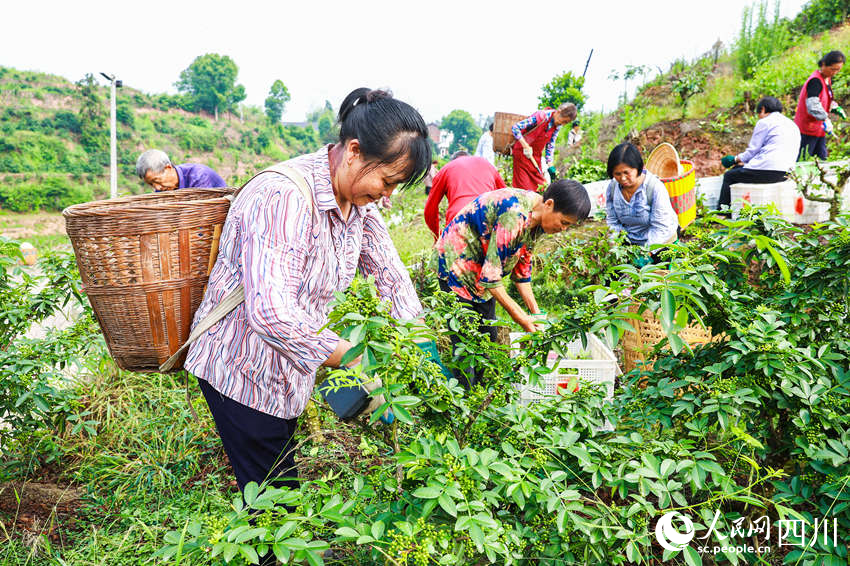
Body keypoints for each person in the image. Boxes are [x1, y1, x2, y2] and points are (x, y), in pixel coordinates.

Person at [183, 88, 430, 521]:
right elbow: (271, 313)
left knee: (278, 472)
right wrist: (354, 358)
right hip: (240, 365)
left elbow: (391, 278)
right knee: (274, 496)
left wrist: (420, 345)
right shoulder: (283, 197)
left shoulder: (359, 205)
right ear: (354, 151)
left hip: (288, 366)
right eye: (387, 181)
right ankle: (272, 548)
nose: (388, 196)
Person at [436, 181, 590, 387]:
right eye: (564, 222)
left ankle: (479, 395)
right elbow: (491, 280)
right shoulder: (514, 215)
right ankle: (464, 403)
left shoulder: (537, 221)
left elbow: (522, 271)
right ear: (550, 204)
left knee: (487, 337)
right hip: (457, 266)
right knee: (466, 343)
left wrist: (535, 314)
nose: (562, 229)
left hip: (482, 272)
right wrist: (521, 317)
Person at [718, 97, 801, 210]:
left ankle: (722, 212)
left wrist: (734, 159)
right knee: (740, 169)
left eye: (758, 113)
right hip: (786, 172)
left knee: (730, 175)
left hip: (768, 171)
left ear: (762, 109)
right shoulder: (792, 125)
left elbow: (753, 151)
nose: (759, 116)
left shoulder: (765, 122)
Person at [605, 143, 678, 250]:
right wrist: (615, 245)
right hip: (631, 244)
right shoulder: (612, 188)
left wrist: (646, 253)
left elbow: (660, 227)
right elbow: (613, 221)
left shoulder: (654, 188)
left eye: (627, 173)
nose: (623, 178)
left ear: (638, 168)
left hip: (660, 243)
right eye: (617, 174)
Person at [423, 153, 506, 239]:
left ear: (453, 160)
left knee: (455, 251)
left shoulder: (446, 169)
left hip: (458, 217)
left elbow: (430, 211)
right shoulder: (487, 165)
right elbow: (506, 195)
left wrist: (438, 236)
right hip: (487, 214)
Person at [510, 103, 577, 191]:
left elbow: (550, 146)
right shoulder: (541, 116)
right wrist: (525, 145)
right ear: (558, 112)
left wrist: (550, 164)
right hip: (522, 154)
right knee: (524, 189)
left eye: (566, 123)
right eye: (564, 121)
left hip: (535, 158)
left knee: (541, 186)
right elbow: (515, 128)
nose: (563, 124)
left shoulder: (557, 127)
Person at [794, 50, 846, 160]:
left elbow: (825, 97)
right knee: (804, 160)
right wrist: (826, 118)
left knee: (822, 160)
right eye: (832, 69)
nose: (835, 72)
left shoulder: (827, 79)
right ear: (823, 64)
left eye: (838, 70)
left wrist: (834, 107)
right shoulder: (815, 81)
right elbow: (813, 105)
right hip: (807, 130)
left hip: (819, 129)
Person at [135, 149, 226, 191]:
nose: (157, 188)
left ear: (168, 168)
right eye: (151, 184)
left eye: (156, 181)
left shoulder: (198, 176)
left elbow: (203, 216)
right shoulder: (161, 191)